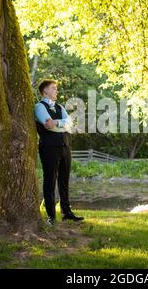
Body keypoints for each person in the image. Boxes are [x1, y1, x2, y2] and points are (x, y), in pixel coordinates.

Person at [35, 79, 84, 226]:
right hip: (49, 148)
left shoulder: (60, 107)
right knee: (50, 181)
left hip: (65, 146)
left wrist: (58, 123)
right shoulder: (39, 107)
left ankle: (66, 212)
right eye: (54, 88)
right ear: (45, 91)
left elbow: (69, 125)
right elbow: (48, 125)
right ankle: (51, 216)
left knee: (64, 180)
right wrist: (60, 124)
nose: (56, 91)